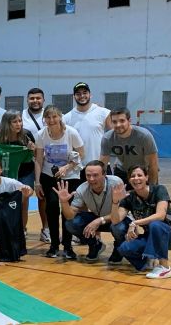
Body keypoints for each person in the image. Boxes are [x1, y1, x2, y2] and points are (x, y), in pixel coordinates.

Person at [110, 165, 171, 279]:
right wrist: (115, 202)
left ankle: (165, 268)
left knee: (155, 224)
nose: (136, 178)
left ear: (146, 177)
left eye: (140, 175)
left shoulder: (159, 190)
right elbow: (115, 220)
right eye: (133, 176)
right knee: (124, 248)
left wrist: (135, 223)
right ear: (129, 179)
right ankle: (147, 263)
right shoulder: (129, 197)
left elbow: (160, 216)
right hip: (152, 236)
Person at [34, 105, 84, 259]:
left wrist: (67, 167)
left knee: (67, 210)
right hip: (49, 177)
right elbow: (39, 159)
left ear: (60, 117)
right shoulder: (41, 135)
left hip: (70, 177)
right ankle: (54, 245)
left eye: (54, 117)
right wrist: (37, 182)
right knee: (52, 208)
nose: (51, 120)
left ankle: (68, 246)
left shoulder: (71, 132)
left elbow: (81, 153)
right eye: (48, 117)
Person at [55, 161, 126, 263]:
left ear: (104, 174)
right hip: (97, 217)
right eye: (88, 175)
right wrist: (64, 202)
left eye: (95, 175)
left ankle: (118, 248)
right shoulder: (82, 189)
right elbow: (70, 216)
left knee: (119, 227)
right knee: (71, 224)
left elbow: (121, 212)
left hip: (117, 219)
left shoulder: (116, 183)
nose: (91, 179)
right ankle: (95, 245)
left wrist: (99, 220)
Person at [0, 111, 36, 228]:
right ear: (6, 123)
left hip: (25, 172)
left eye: (20, 121)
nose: (18, 124)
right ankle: (6, 228)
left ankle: (22, 229)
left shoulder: (27, 135)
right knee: (5, 200)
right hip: (5, 172)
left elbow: (35, 155)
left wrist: (32, 149)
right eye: (14, 122)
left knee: (24, 198)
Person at [100, 107, 159, 184]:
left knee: (145, 194)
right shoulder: (107, 138)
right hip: (122, 171)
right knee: (120, 195)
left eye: (122, 121)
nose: (118, 125)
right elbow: (102, 164)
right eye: (114, 122)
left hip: (141, 171)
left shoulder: (144, 136)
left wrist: (153, 188)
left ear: (129, 121)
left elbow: (153, 163)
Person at [21, 87, 49, 241]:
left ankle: (45, 229)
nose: (35, 101)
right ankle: (22, 228)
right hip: (27, 162)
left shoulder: (50, 115)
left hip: (47, 162)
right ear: (27, 100)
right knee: (24, 195)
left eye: (38, 98)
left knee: (43, 197)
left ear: (43, 99)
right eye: (32, 98)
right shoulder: (22, 116)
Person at [64, 82, 110, 168]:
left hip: (99, 165)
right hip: (77, 167)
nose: (82, 96)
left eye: (85, 93)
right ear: (74, 97)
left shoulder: (104, 113)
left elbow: (114, 136)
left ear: (90, 95)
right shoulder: (66, 118)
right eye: (78, 94)